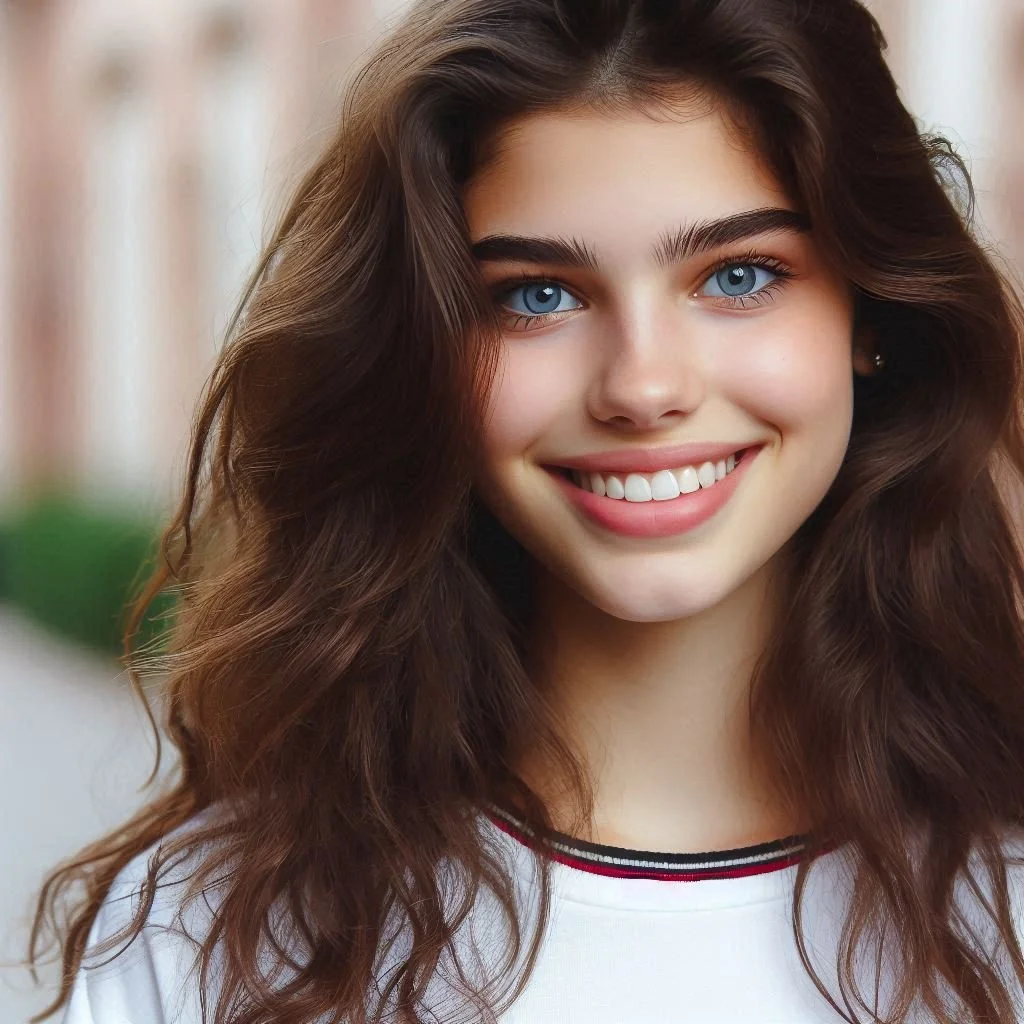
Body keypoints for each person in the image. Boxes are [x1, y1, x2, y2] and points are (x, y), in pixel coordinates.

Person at [27, 0, 1024, 1021]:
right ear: (425, 351)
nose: (643, 387)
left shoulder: (1006, 906)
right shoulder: (211, 938)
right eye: (538, 295)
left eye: (738, 275)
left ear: (871, 316)